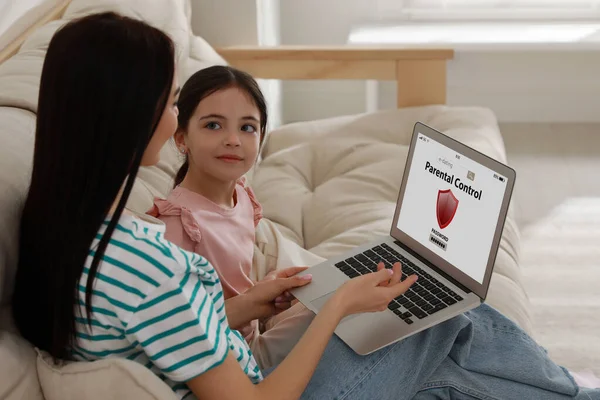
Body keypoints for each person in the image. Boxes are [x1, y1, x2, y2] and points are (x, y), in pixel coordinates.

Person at [10, 11, 598, 400]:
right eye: (169, 102)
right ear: (129, 118)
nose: (171, 118)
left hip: (243, 361)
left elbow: (171, 333)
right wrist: (339, 306)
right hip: (273, 388)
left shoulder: (66, 230)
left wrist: (250, 304)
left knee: (439, 364)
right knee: (439, 313)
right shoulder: (143, 261)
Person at [147, 65, 316, 369]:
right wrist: (253, 304)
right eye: (214, 125)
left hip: (252, 336)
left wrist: (263, 300)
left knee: (340, 292)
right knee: (335, 313)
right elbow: (181, 332)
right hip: (231, 364)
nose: (233, 140)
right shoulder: (178, 224)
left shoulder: (242, 196)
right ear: (182, 138)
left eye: (247, 128)